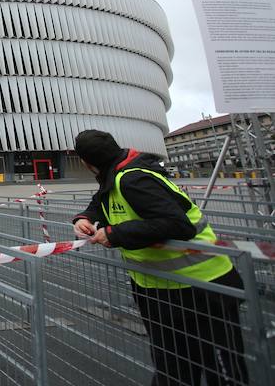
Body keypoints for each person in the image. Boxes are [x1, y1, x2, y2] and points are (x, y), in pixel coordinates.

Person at [72, 129, 247, 386]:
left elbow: (178, 225)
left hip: (202, 288)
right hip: (161, 289)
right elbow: (101, 200)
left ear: (87, 163)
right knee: (173, 367)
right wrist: (84, 218)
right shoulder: (117, 174)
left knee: (221, 371)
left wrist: (115, 234)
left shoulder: (134, 179)